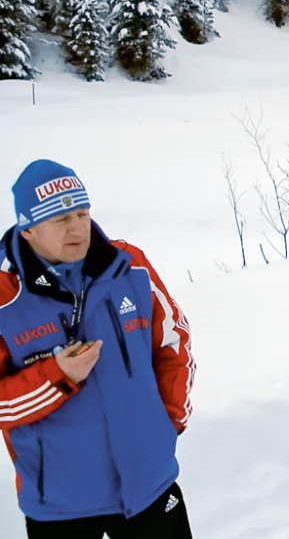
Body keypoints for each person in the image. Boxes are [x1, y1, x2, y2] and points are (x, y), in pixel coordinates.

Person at [0, 160, 195, 538]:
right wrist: (57, 378)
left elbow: (174, 343)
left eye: (83, 213)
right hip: (60, 506)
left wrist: (165, 425)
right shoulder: (5, 298)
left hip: (149, 487)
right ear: (28, 231)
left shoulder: (130, 266)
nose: (78, 229)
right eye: (60, 220)